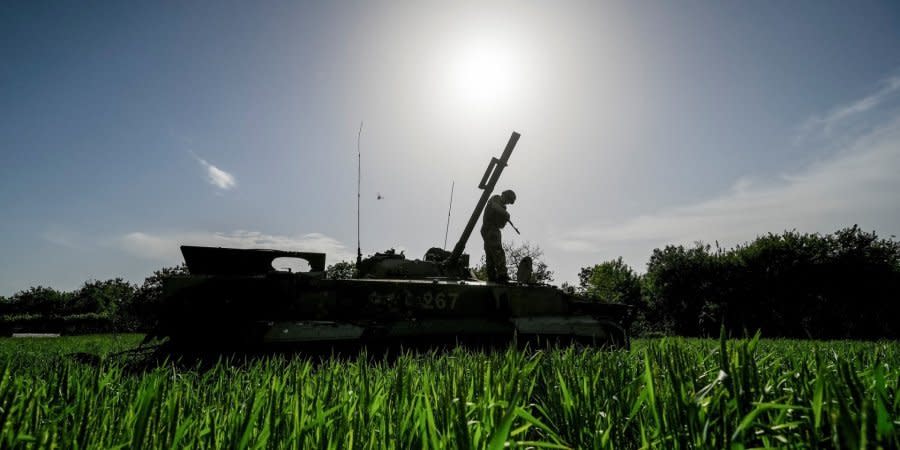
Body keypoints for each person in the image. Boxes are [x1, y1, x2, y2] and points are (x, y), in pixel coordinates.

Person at [481, 189, 516, 282]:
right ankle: (502, 274)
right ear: (504, 195)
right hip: (490, 228)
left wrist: (505, 217)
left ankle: (492, 277)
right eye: (508, 200)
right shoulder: (496, 198)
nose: (507, 202)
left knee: (490, 255)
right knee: (497, 251)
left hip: (492, 229)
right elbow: (494, 206)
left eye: (509, 202)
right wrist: (506, 214)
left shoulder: (503, 208)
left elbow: (501, 225)